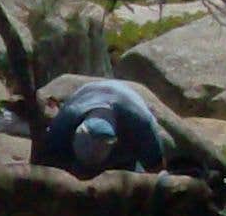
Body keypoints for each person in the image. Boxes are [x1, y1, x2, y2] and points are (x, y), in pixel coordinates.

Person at [35, 76, 180, 178]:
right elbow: (47, 161)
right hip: (90, 93)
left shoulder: (140, 124)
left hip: (125, 146)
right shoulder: (67, 118)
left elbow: (155, 167)